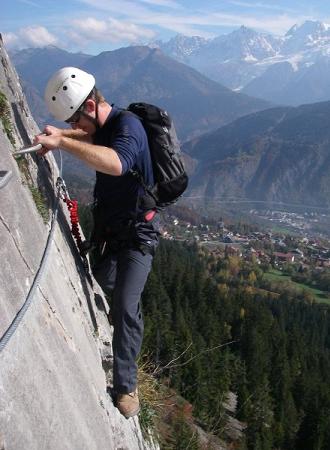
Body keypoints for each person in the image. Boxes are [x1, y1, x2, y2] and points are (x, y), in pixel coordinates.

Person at [34, 67, 159, 419]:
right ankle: (115, 343)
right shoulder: (102, 127)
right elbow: (89, 137)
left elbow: (117, 163)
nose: (79, 126)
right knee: (102, 287)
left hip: (138, 235)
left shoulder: (128, 127)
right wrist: (62, 133)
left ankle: (126, 386)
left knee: (124, 303)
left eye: (78, 118)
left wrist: (61, 141)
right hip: (110, 233)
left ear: (90, 105)